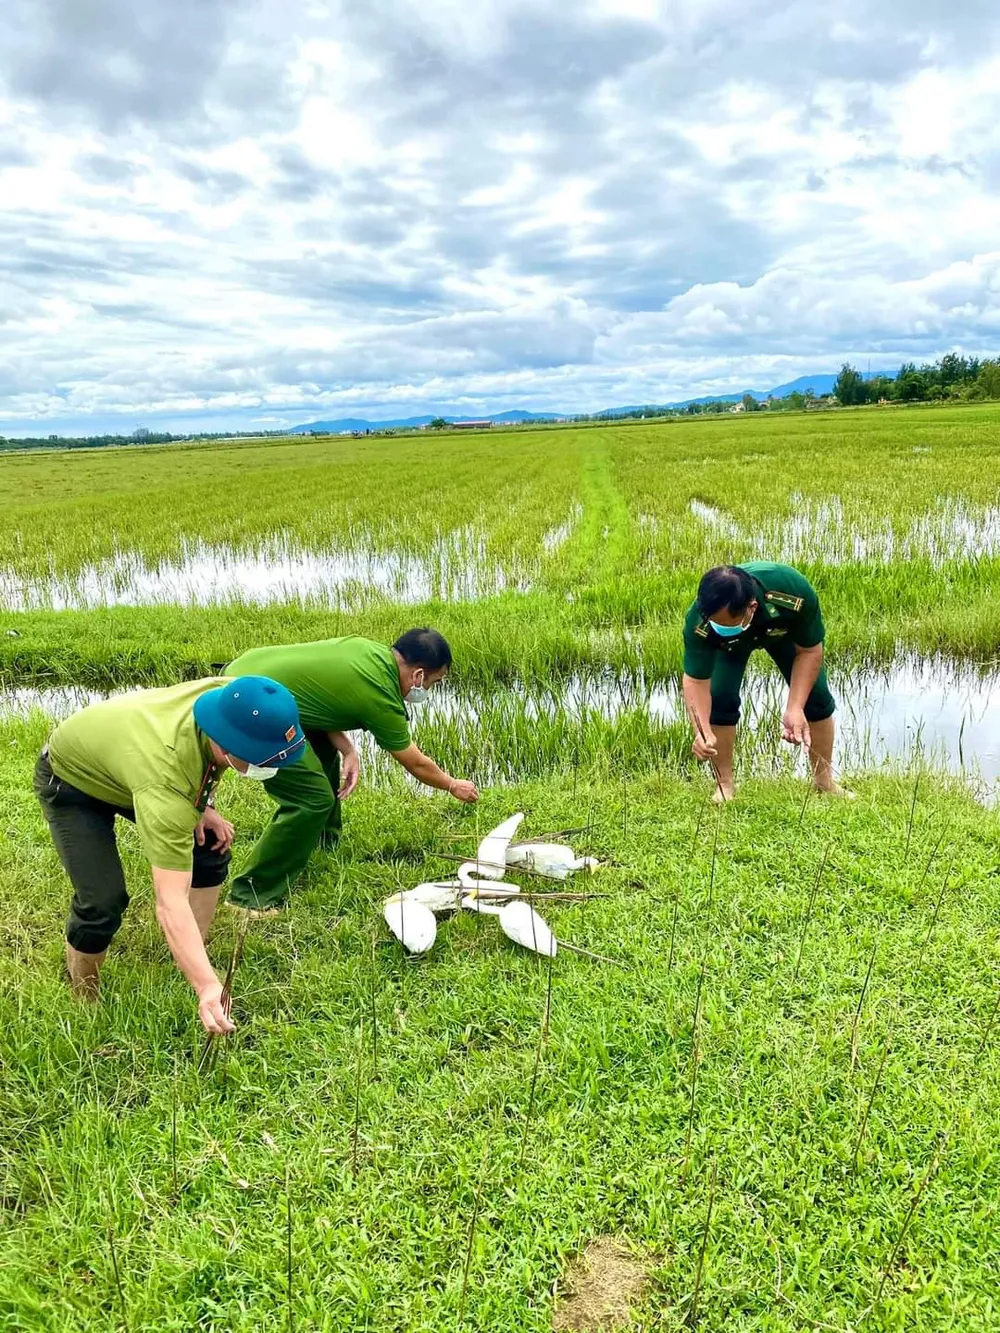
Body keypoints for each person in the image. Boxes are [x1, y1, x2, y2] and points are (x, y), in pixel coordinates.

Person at [34, 675, 306, 1031]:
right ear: (226, 744)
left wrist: (204, 806)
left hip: (131, 762)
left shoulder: (234, 695)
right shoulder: (165, 782)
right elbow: (170, 902)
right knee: (102, 901)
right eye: (260, 759)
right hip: (72, 780)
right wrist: (207, 988)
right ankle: (83, 994)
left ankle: (193, 952)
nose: (268, 766)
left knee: (209, 847)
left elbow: (206, 759)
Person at [223, 629, 479, 915]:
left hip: (250, 676)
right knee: (311, 799)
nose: (430, 689)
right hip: (247, 703)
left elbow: (317, 697)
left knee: (323, 755)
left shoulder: (370, 653)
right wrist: (452, 784)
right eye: (434, 682)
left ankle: (322, 843)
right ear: (418, 675)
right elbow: (415, 762)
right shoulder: (380, 694)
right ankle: (249, 896)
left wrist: (347, 749)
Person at [681, 563, 851, 803]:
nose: (718, 626)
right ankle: (724, 785)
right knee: (720, 699)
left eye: (726, 623)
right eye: (715, 622)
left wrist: (795, 707)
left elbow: (810, 651)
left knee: (817, 698)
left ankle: (824, 782)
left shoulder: (791, 590)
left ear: (751, 608)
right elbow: (696, 680)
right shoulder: (699, 621)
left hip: (782, 633)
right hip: (728, 647)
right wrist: (702, 731)